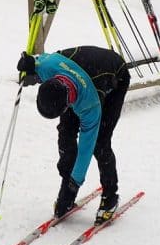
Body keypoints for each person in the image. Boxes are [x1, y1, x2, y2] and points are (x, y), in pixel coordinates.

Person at [16, 45, 130, 224]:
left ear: (67, 105)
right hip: (77, 71)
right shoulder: (48, 67)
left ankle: (110, 197)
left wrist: (73, 185)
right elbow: (39, 60)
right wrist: (30, 63)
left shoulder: (90, 106)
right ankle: (66, 191)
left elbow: (85, 149)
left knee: (100, 143)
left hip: (114, 75)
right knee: (66, 134)